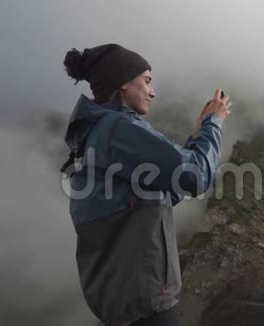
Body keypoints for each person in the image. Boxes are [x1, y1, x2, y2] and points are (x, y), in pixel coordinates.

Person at [60, 43, 233, 326]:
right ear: (124, 82)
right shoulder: (119, 129)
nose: (152, 92)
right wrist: (214, 124)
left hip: (124, 304)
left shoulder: (97, 134)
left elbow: (163, 192)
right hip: (147, 305)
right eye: (147, 81)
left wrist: (198, 134)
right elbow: (196, 176)